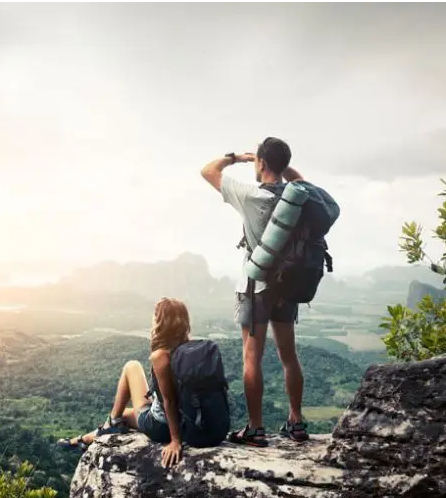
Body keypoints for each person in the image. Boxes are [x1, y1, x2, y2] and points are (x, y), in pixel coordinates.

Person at [199, 137, 309, 445]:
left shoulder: (250, 194)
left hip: (256, 285)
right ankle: (296, 422)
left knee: (252, 357)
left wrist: (239, 157)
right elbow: (302, 181)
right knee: (289, 355)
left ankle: (256, 427)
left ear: (261, 163)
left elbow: (208, 170)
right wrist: (281, 165)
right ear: (284, 164)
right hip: (288, 285)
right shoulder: (296, 195)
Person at [58, 298, 190, 468]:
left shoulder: (161, 355)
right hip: (187, 421)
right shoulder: (190, 350)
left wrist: (175, 441)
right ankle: (84, 439)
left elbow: (169, 401)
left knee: (132, 366)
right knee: (126, 415)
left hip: (161, 427)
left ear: (160, 322)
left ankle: (110, 424)